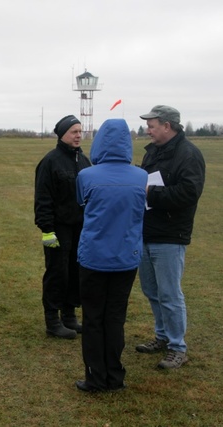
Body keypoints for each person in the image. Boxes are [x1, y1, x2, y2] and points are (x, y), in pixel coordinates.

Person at [74, 119, 148, 393]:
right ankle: (115, 376)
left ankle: (96, 376)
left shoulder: (87, 176)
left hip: (93, 258)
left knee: (94, 318)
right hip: (126, 259)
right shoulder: (141, 176)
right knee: (115, 318)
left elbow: (81, 203)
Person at [136, 105, 205, 369]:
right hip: (147, 231)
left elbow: (189, 193)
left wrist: (149, 193)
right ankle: (162, 337)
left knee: (169, 293)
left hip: (170, 235)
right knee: (151, 290)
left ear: (167, 126)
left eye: (151, 125)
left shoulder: (189, 154)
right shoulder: (153, 152)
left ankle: (178, 347)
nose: (147, 129)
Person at [34, 115, 92, 339]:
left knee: (75, 272)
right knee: (57, 273)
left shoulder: (84, 160)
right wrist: (47, 229)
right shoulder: (50, 162)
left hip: (81, 228)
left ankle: (69, 316)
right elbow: (43, 198)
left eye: (80, 131)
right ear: (62, 135)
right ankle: (52, 320)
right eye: (73, 131)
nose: (78, 135)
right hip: (58, 228)